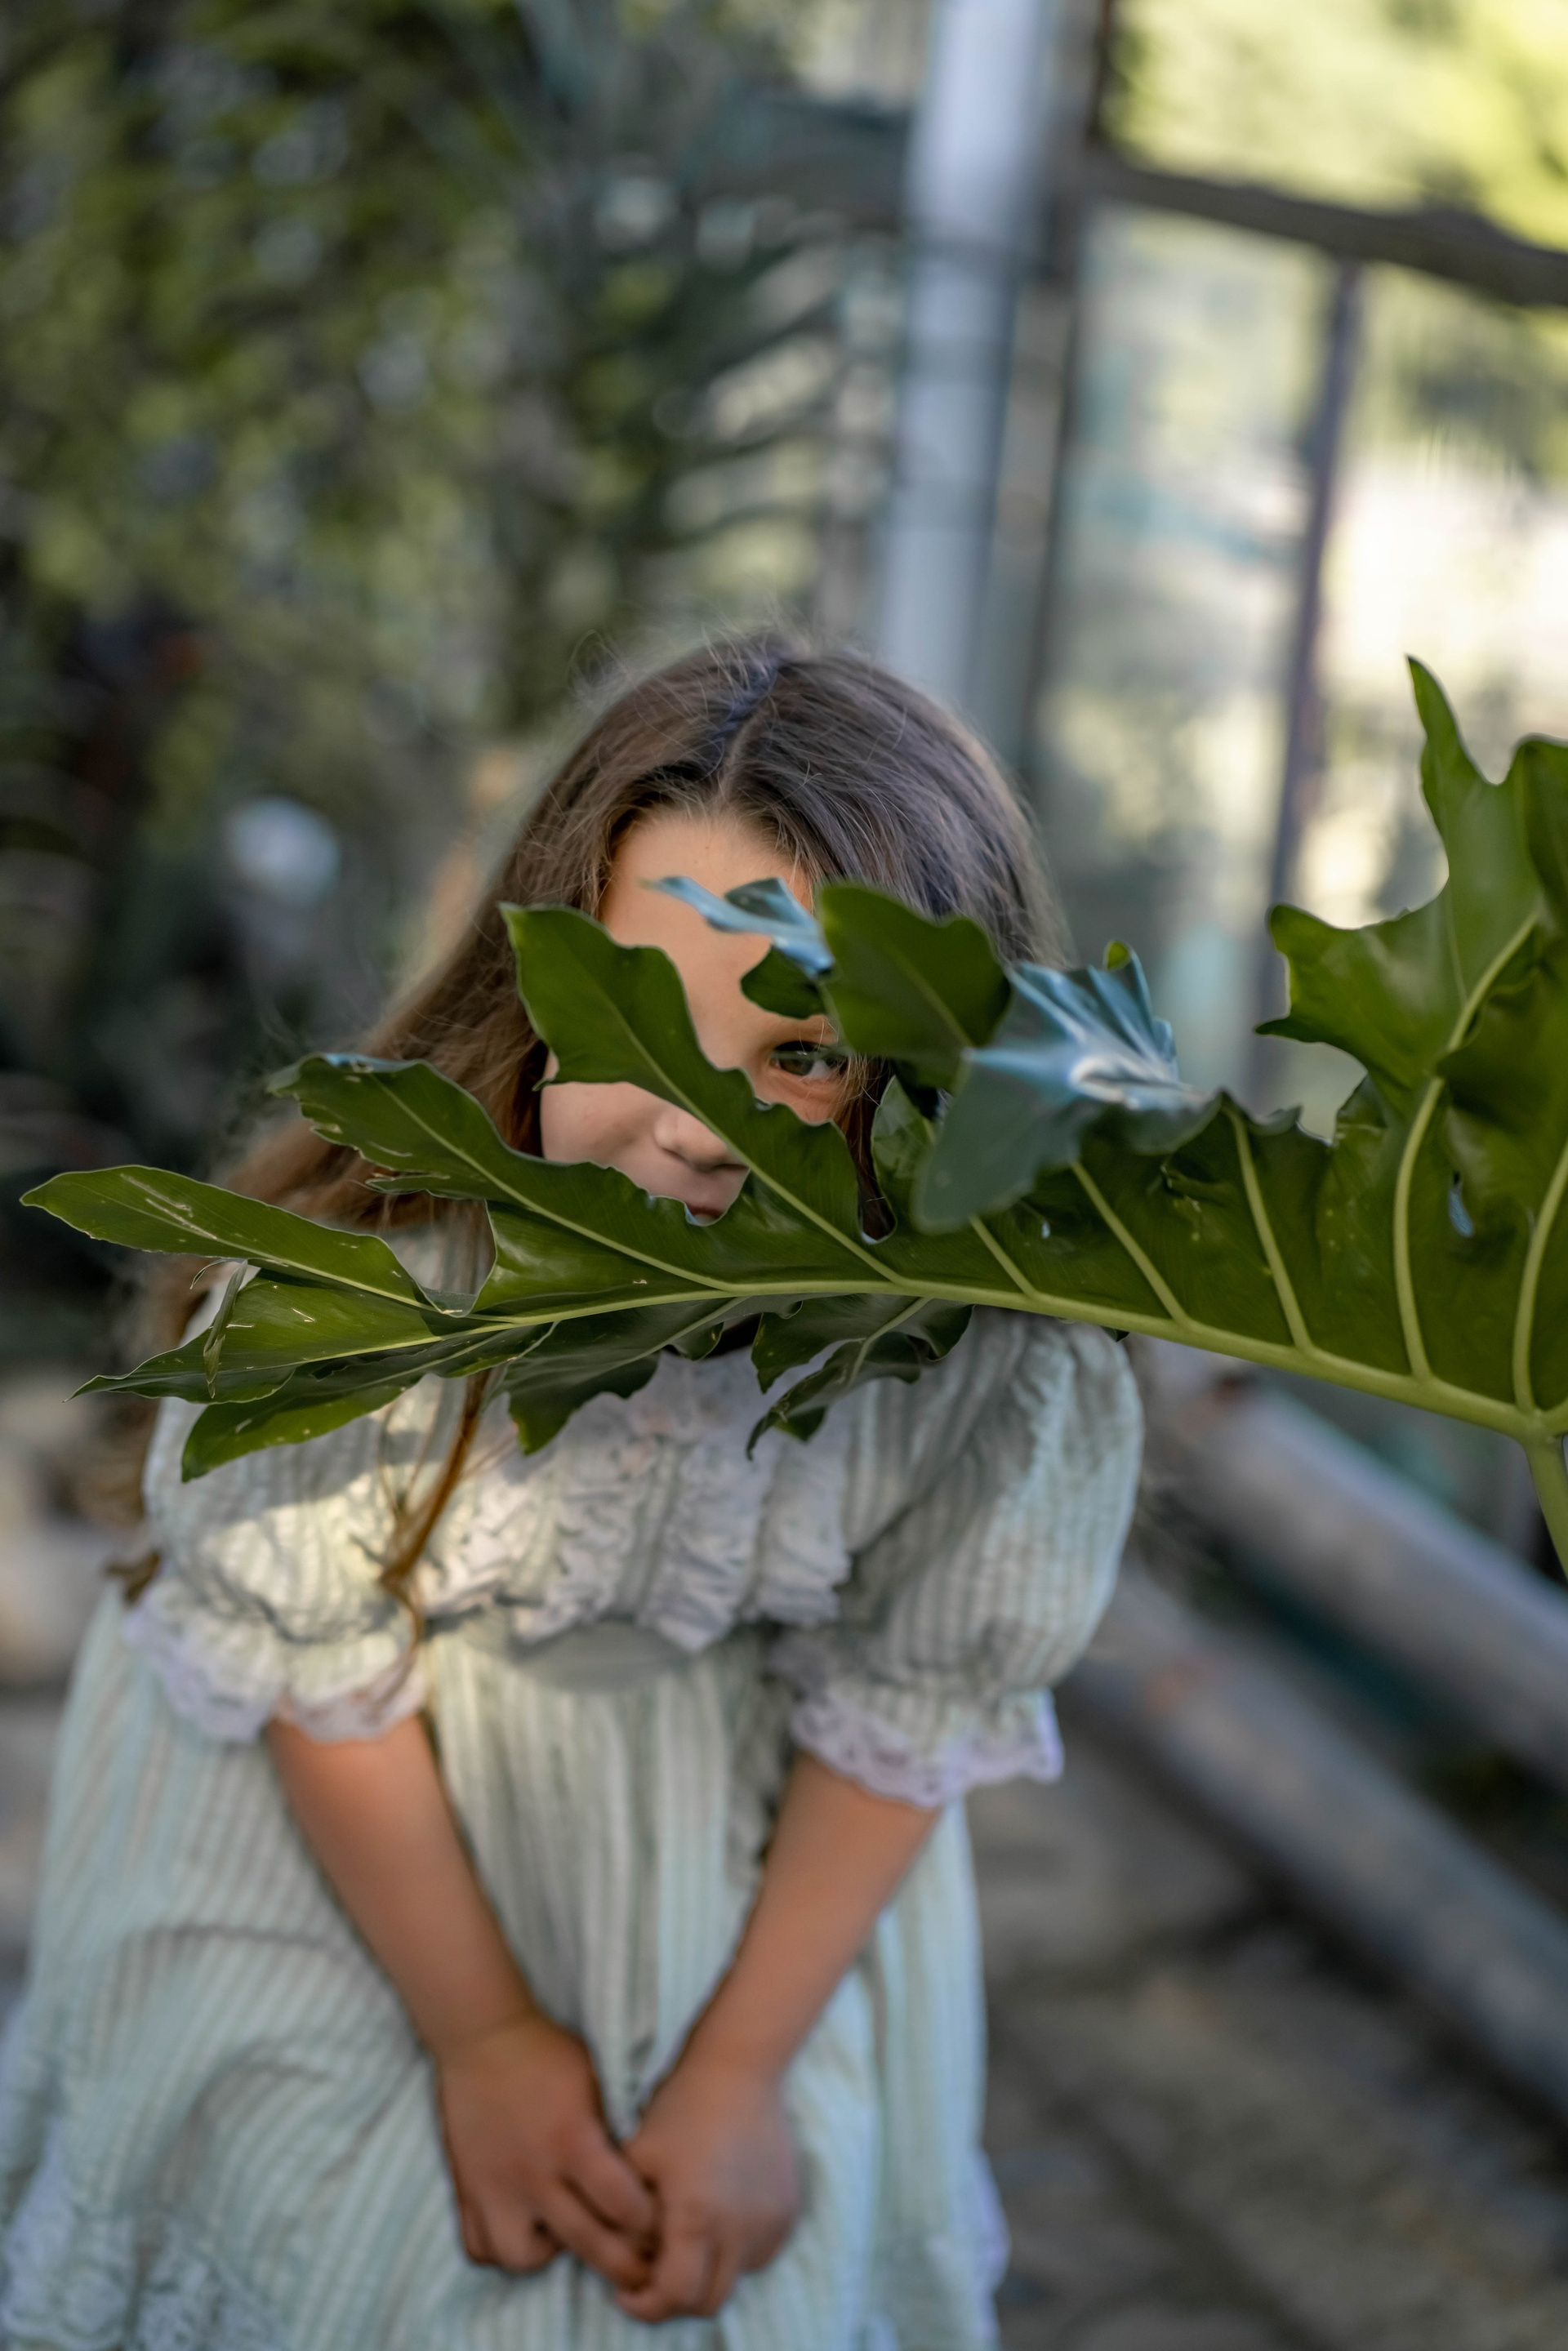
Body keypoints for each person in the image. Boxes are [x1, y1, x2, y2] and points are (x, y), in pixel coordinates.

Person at [0, 639, 1142, 2349]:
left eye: (808, 1056)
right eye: (642, 1025)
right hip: (344, 1820)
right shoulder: (384, 1294)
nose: (703, 1128)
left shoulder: (977, 1359)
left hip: (747, 1865)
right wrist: (484, 2038)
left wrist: (738, 2073)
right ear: (529, 983)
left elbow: (911, 1700)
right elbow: (312, 1665)